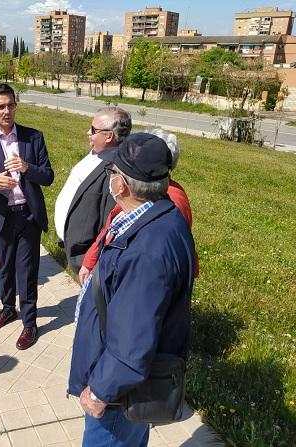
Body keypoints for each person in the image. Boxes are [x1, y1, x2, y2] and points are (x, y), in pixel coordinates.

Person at [68, 133, 196, 446]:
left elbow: (133, 339)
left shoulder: (148, 250)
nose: (108, 178)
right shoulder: (158, 215)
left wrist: (101, 391)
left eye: (111, 172)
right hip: (130, 383)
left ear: (122, 184)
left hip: (119, 393)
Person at [0, 83, 54, 350]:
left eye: (11, 105)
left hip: (27, 215)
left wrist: (27, 167)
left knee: (27, 271)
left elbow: (48, 176)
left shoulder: (33, 137)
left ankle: (30, 323)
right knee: (5, 268)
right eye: (0, 107)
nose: (7, 111)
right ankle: (8, 308)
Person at [78, 128, 198, 286]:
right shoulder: (138, 195)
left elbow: (153, 272)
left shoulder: (171, 200)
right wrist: (90, 261)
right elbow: (110, 228)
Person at [54, 107, 131, 273]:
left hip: (88, 259)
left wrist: (90, 261)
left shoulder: (114, 169)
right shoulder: (96, 153)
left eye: (94, 129)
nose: (88, 132)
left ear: (109, 136)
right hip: (76, 251)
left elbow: (109, 222)